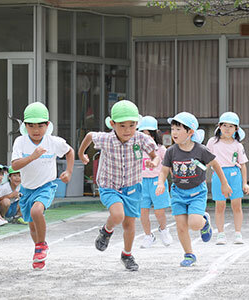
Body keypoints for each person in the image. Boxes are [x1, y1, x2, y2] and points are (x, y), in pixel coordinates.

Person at [78, 100, 158, 271]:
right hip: (110, 185)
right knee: (117, 215)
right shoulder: (106, 139)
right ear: (113, 124)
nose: (128, 130)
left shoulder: (141, 138)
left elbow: (155, 155)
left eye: (132, 125)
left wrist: (154, 161)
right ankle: (106, 231)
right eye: (122, 125)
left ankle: (127, 254)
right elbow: (89, 136)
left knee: (129, 224)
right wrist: (81, 152)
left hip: (133, 187)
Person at [155, 112, 233, 267]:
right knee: (181, 226)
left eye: (178, 129)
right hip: (178, 192)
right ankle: (189, 254)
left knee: (194, 224)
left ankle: (204, 223)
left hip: (197, 192)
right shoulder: (171, 151)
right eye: (173, 129)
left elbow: (216, 165)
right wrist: (160, 183)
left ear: (190, 132)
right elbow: (164, 170)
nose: (174, 133)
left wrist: (224, 183)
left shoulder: (200, 150)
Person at [11, 102, 74, 270]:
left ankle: (41, 246)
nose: (36, 130)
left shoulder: (53, 141)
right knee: (31, 225)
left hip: (46, 186)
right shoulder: (20, 141)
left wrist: (68, 171)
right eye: (31, 126)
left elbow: (69, 151)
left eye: (40, 125)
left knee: (36, 211)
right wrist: (32, 157)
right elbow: (15, 166)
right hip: (26, 189)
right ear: (25, 126)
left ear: (47, 125)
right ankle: (39, 250)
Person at [206, 112, 249, 245]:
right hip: (218, 175)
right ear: (219, 126)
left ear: (236, 129)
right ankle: (220, 234)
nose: (227, 128)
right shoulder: (212, 142)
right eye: (224, 125)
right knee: (220, 206)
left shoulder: (238, 145)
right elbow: (207, 160)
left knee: (236, 206)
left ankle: (238, 233)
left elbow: (242, 165)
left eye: (231, 126)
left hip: (234, 175)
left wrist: (245, 183)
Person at [137, 116, 173, 248]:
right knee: (143, 211)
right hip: (141, 182)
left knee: (159, 211)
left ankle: (163, 230)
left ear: (155, 134)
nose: (147, 139)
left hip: (157, 182)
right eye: (143, 135)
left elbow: (167, 167)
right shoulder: (137, 149)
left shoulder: (161, 149)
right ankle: (148, 236)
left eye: (149, 135)